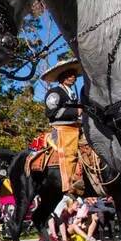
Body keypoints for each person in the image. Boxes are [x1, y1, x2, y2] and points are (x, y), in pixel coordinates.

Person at [42, 59, 84, 194]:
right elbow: (51, 112)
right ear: (61, 77)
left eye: (74, 74)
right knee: (70, 153)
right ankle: (70, 184)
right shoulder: (54, 92)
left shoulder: (72, 93)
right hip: (62, 129)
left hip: (77, 126)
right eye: (69, 74)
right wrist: (76, 111)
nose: (73, 77)